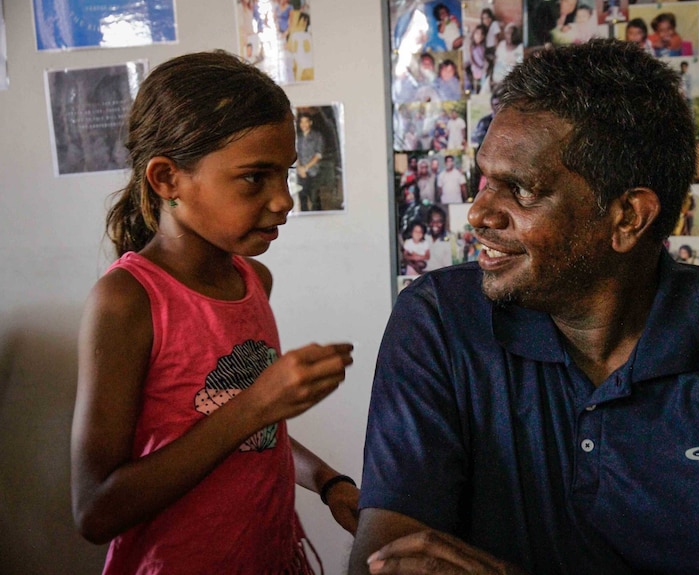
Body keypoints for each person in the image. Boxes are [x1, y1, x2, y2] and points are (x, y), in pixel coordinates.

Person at [349, 39, 699, 574]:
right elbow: (385, 557)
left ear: (628, 218)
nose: (478, 213)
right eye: (484, 179)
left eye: (520, 189)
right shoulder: (438, 321)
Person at [71, 51, 359, 575]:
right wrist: (255, 404)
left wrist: (327, 481)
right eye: (255, 178)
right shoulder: (127, 303)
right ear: (167, 179)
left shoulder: (253, 281)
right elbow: (95, 510)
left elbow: (249, 432)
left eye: (286, 174)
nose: (283, 201)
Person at [296, 112, 324, 211]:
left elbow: (319, 154)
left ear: (310, 123)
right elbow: (295, 153)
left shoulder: (317, 136)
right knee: (302, 199)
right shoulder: (297, 137)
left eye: (306, 122)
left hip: (313, 171)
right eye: (301, 122)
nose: (303, 124)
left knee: (315, 199)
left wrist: (306, 167)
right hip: (300, 173)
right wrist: (299, 168)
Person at [425, 205, 456, 271]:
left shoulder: (450, 239)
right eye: (432, 221)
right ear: (428, 222)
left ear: (443, 222)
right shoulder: (423, 236)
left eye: (439, 221)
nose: (435, 224)